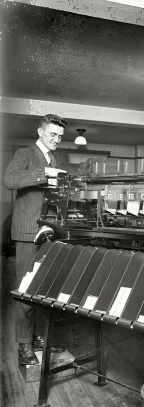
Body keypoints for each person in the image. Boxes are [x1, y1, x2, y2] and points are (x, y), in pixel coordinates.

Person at [4, 114, 68, 365]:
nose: (56, 140)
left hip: (48, 232)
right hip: (28, 233)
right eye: (52, 134)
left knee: (43, 288)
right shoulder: (25, 154)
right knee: (25, 291)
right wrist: (46, 172)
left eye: (60, 136)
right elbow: (9, 180)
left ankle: (39, 337)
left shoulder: (53, 157)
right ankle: (24, 345)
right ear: (40, 132)